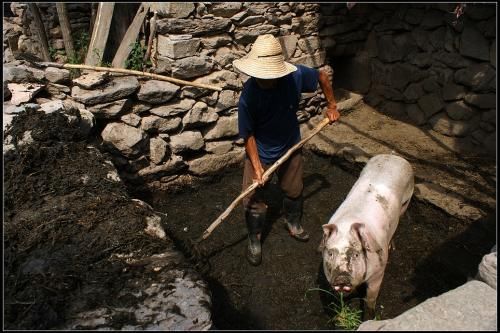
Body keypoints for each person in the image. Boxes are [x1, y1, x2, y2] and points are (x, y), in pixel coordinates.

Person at [232, 34, 340, 266]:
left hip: (290, 143)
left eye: (267, 76)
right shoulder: (249, 97)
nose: (262, 80)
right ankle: (255, 237)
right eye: (258, 75)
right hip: (260, 150)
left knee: (293, 189)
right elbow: (247, 134)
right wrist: (258, 167)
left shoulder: (295, 76)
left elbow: (321, 76)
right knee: (252, 199)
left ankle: (292, 222)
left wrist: (331, 105)